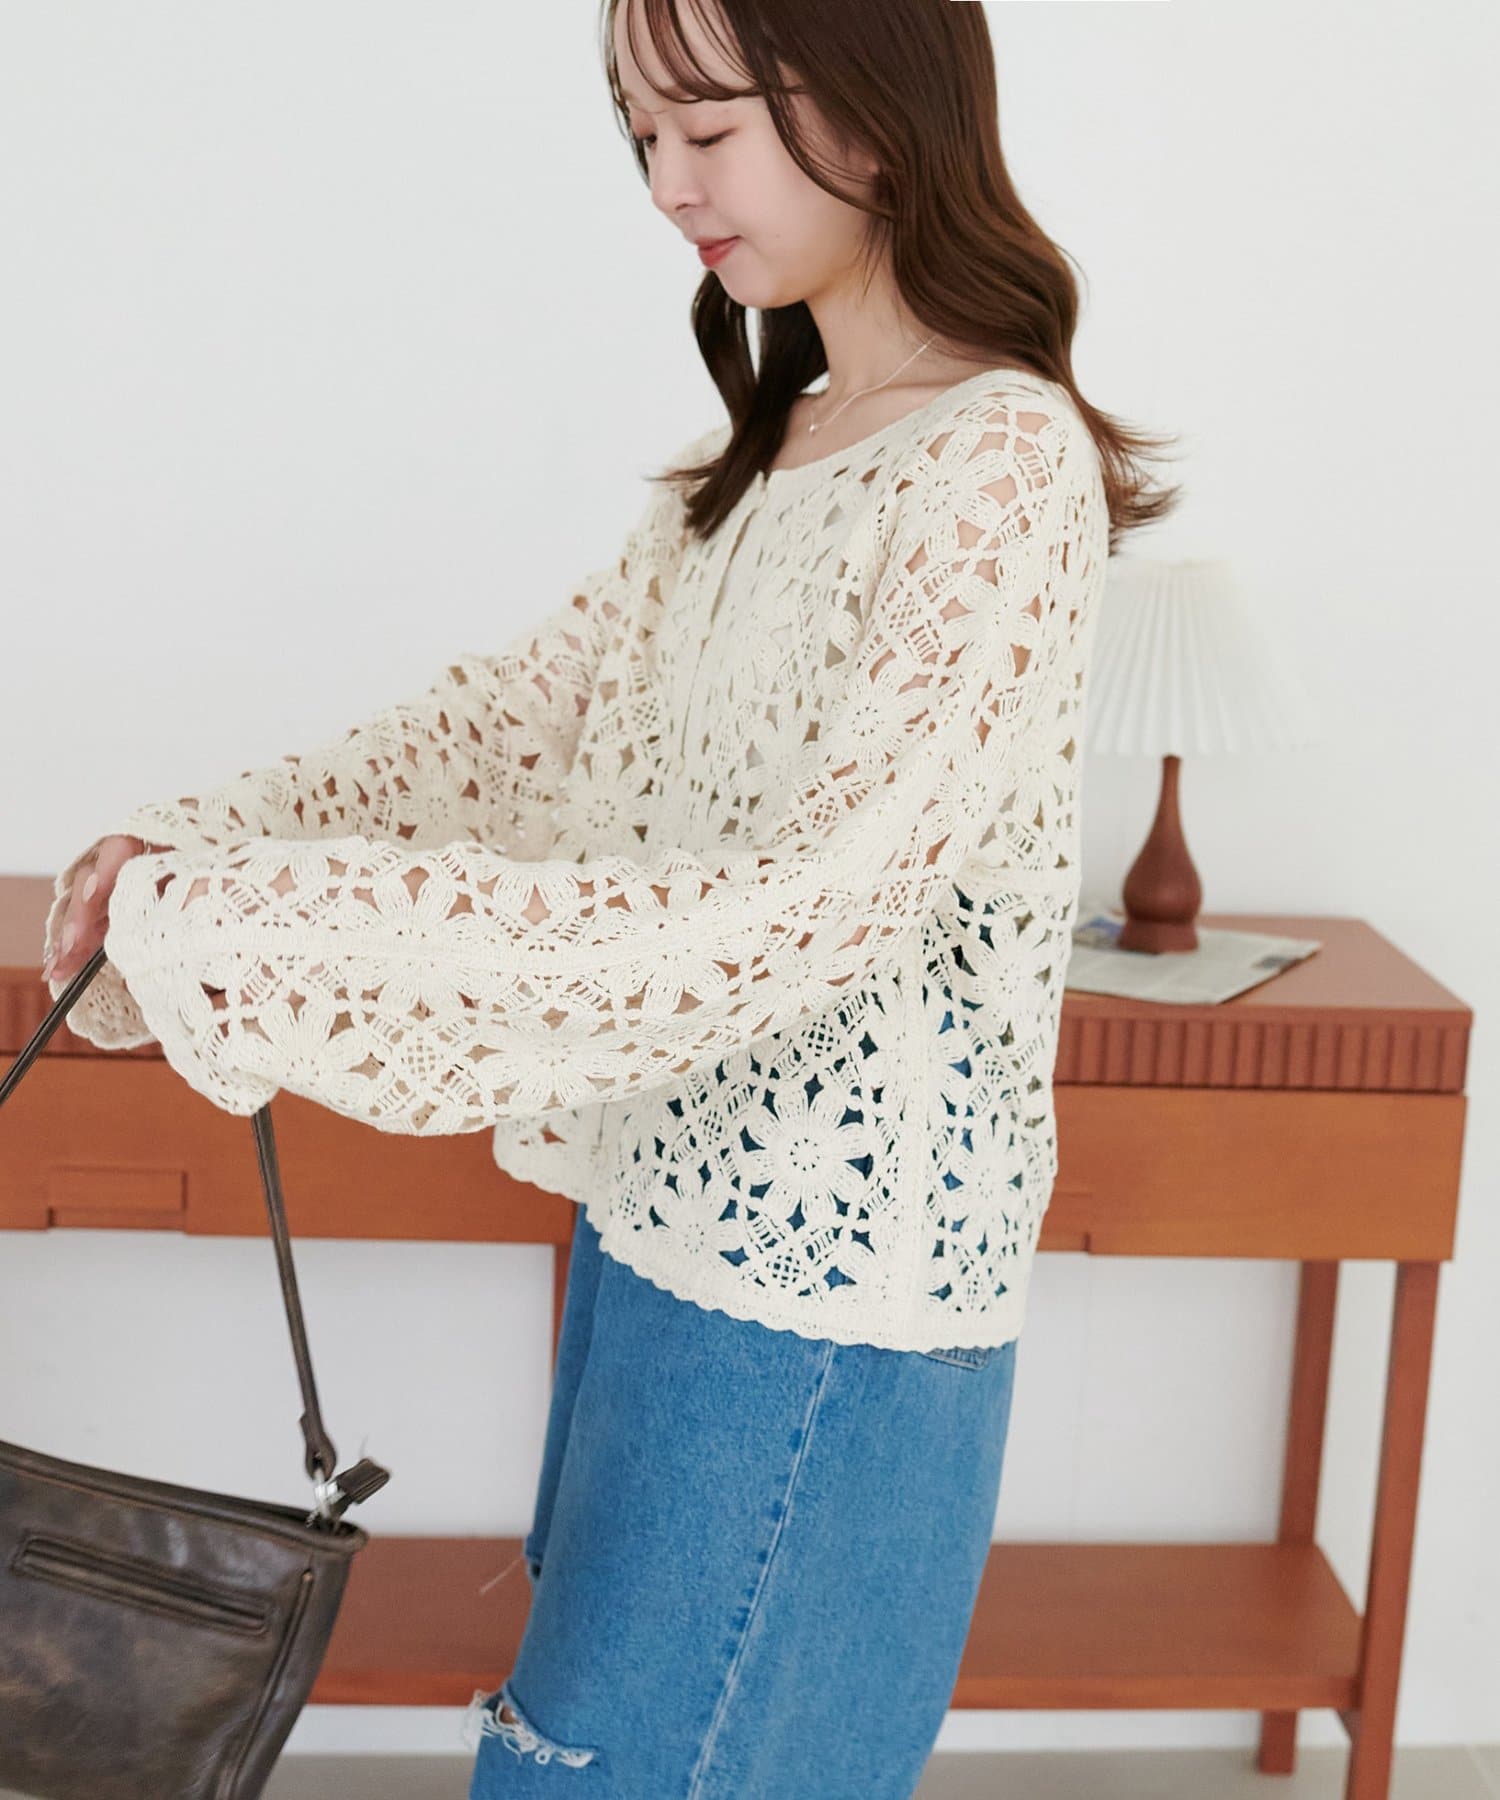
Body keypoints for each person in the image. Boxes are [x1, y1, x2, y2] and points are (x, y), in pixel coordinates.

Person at [43, 0, 1180, 1792]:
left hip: (824, 1317)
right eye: (642, 137)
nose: (665, 185)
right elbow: (505, 734)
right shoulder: (765, 461)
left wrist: (268, 921)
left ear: (875, 109)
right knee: (572, 1752)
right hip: (653, 1245)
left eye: (706, 131)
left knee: (607, 1769)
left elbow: (802, 909)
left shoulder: (998, 465)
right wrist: (198, 844)